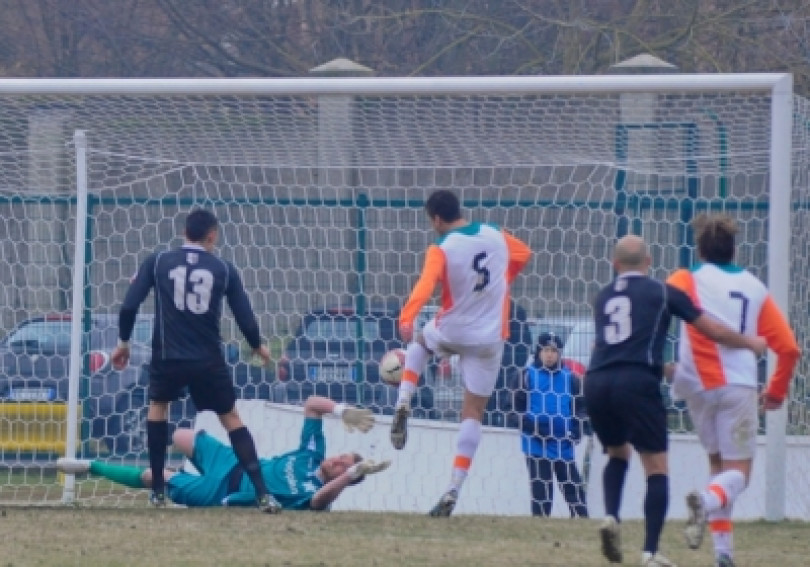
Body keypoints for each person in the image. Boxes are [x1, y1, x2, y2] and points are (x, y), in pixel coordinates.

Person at [584, 235, 767, 567]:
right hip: (637, 382)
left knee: (617, 453)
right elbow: (713, 330)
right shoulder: (663, 291)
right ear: (649, 262)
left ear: (615, 264)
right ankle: (650, 553)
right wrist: (749, 343)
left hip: (597, 381)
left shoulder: (602, 296)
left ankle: (611, 516)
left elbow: (606, 345)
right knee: (657, 468)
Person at [109, 208, 278, 512]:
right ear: (211, 235)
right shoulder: (223, 269)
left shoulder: (158, 261)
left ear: (184, 232)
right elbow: (245, 317)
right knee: (230, 418)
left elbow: (129, 307)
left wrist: (123, 344)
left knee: (158, 408)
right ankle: (263, 493)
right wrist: (257, 346)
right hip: (207, 360)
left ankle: (158, 491)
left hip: (167, 356)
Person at [665, 214, 800, 567]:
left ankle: (723, 555)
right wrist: (777, 391)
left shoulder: (684, 278)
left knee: (718, 468)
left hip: (695, 386)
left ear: (700, 249)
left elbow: (661, 306)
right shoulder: (754, 287)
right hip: (737, 386)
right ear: (734, 248)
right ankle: (706, 503)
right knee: (739, 473)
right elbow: (788, 348)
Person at [388, 189, 531, 516]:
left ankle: (404, 399)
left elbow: (426, 283)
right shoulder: (495, 233)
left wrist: (407, 316)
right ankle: (453, 488)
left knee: (420, 343)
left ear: (437, 218)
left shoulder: (442, 247)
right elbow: (524, 253)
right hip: (490, 337)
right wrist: (502, 279)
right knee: (473, 414)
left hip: (453, 327)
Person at [57, 395, 390, 510]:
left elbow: (321, 502)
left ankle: (91, 466)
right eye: (341, 457)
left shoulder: (314, 494)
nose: (336, 461)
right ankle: (172, 472)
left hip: (223, 492)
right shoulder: (312, 454)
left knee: (152, 477)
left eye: (341, 466)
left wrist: (351, 475)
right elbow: (312, 406)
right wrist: (342, 409)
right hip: (233, 462)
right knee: (182, 435)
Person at [514, 331, 589, 518]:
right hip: (537, 444)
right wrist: (533, 428)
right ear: (538, 352)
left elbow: (581, 407)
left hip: (563, 444)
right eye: (546, 350)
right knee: (542, 492)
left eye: (554, 351)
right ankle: (541, 528)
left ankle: (582, 523)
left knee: (574, 489)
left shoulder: (570, 378)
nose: (550, 354)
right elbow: (514, 409)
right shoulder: (526, 375)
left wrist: (577, 428)